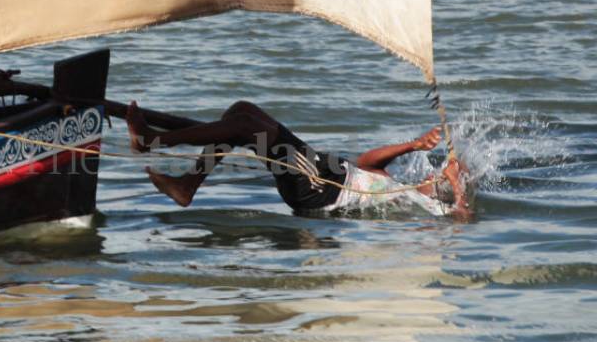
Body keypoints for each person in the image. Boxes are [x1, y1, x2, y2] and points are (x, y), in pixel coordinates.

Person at [126, 100, 473, 221]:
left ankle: (151, 140)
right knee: (242, 112)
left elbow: (460, 221)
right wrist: (413, 145)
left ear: (442, 190)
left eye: (448, 175)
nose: (445, 170)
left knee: (247, 128)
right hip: (324, 169)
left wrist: (459, 193)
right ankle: (187, 185)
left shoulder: (427, 206)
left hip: (321, 190)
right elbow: (366, 160)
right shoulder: (403, 185)